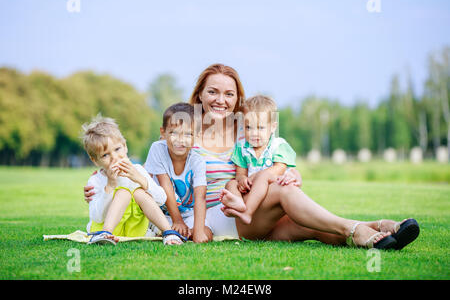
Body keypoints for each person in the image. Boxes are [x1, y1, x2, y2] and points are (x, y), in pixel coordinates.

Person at [84, 64, 420, 250]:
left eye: (229, 93)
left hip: (250, 209)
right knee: (288, 200)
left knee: (307, 226)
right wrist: (100, 186)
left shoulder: (247, 133)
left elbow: (275, 157)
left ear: (237, 99)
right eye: (213, 91)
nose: (221, 99)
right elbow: (150, 180)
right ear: (200, 93)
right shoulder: (182, 132)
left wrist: (292, 172)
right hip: (219, 216)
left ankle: (381, 232)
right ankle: (357, 228)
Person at [82, 115, 186, 245]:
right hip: (104, 229)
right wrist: (110, 186)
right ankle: (106, 234)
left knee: (139, 192)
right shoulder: (96, 180)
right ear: (95, 160)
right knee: (123, 193)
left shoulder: (137, 170)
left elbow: (161, 199)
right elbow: (97, 216)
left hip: (135, 230)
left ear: (125, 146)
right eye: (105, 155)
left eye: (117, 149)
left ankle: (169, 232)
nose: (114, 157)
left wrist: (140, 179)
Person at [220, 95, 297, 225]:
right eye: (248, 128)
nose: (254, 133)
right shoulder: (242, 147)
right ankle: (239, 204)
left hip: (271, 191)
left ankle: (247, 213)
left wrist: (257, 177)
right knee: (231, 184)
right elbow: (240, 173)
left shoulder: (278, 145)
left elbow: (279, 169)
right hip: (250, 191)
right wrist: (242, 180)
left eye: (260, 128)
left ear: (272, 127)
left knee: (263, 176)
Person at [144, 103, 212, 243]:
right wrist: (177, 220)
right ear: (163, 132)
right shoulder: (158, 149)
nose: (181, 140)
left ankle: (181, 232)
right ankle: (167, 230)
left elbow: (201, 196)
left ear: (197, 136)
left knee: (206, 234)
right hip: (162, 212)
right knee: (160, 224)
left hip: (188, 213)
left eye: (188, 134)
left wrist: (198, 232)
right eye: (174, 133)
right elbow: (165, 185)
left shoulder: (197, 161)